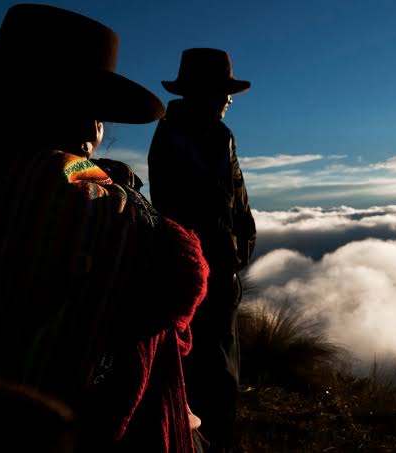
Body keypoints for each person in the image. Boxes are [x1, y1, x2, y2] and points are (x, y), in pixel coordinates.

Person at [0, 5, 209, 452]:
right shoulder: (69, 192)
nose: (90, 130)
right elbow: (180, 275)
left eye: (97, 113)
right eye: (67, 104)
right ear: (16, 99)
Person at [148, 48, 256, 452]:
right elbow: (195, 211)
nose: (229, 99)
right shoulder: (181, 137)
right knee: (207, 374)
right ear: (202, 92)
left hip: (218, 273)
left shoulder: (214, 135)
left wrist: (240, 248)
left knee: (220, 369)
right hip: (197, 276)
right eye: (222, 91)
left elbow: (236, 205)